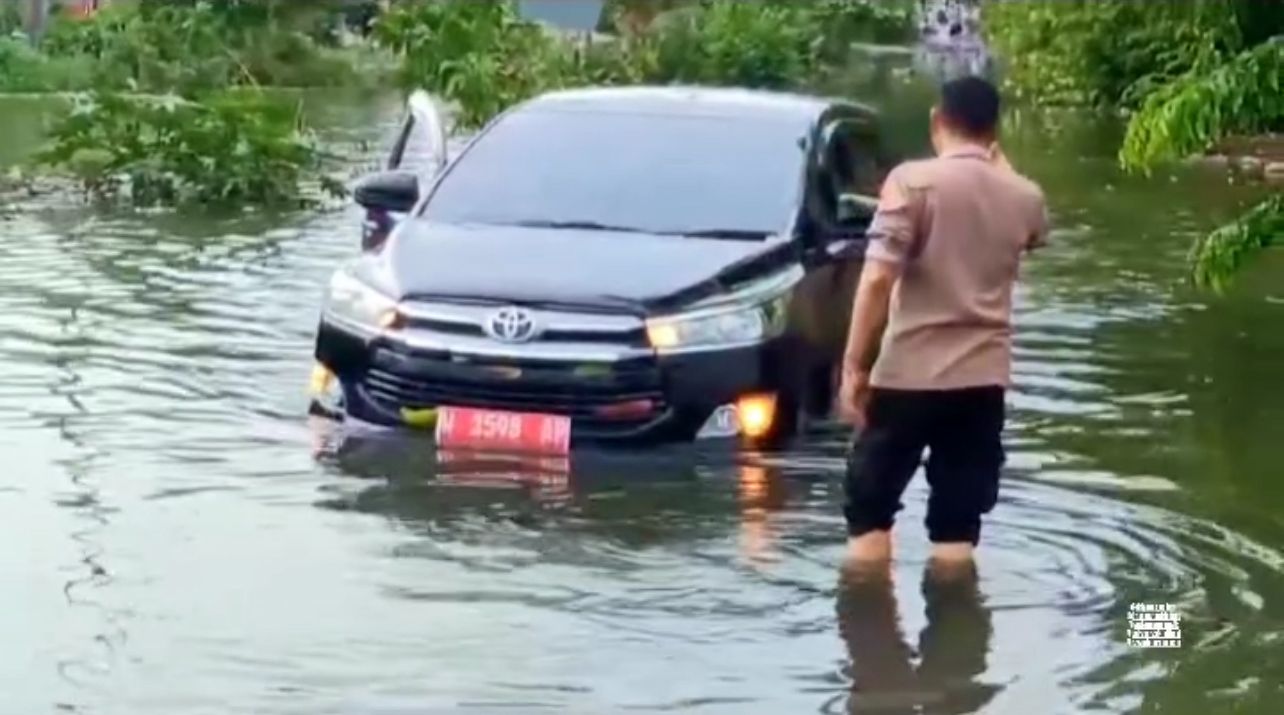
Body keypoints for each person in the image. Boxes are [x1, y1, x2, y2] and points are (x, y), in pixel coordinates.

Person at [838, 75, 1049, 566]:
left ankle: (871, 626)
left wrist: (853, 367)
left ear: (937, 120)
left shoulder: (910, 183)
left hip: (907, 377)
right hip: (981, 382)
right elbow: (1034, 234)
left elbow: (875, 281)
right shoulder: (1025, 196)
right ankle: (958, 633)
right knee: (957, 525)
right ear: (995, 129)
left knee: (869, 511)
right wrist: (1006, 173)